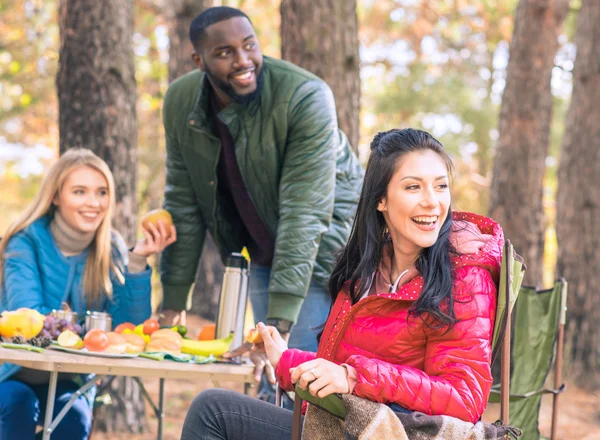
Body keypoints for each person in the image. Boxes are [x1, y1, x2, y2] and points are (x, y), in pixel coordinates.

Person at [180, 128, 503, 439]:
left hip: (398, 433)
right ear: (381, 200)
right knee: (213, 410)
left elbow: (465, 398)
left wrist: (354, 376)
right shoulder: (365, 270)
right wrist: (286, 358)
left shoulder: (465, 275)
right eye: (413, 187)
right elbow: (337, 372)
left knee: (212, 410)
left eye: (441, 186)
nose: (433, 202)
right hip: (346, 426)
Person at [159, 5, 363, 394]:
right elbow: (183, 204)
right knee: (269, 377)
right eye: (225, 53)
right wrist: (171, 304)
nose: (243, 61)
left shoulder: (305, 95)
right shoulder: (182, 102)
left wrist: (278, 328)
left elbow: (306, 215)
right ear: (198, 60)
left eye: (249, 45)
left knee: (294, 370)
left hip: (323, 245)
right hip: (263, 247)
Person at [0, 149, 176, 440]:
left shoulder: (112, 248)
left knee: (75, 419)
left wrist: (137, 261)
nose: (93, 203)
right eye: (79, 192)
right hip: (12, 373)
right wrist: (92, 331)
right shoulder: (26, 241)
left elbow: (127, 330)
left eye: (102, 192)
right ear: (56, 196)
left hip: (70, 379)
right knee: (18, 403)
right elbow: (28, 316)